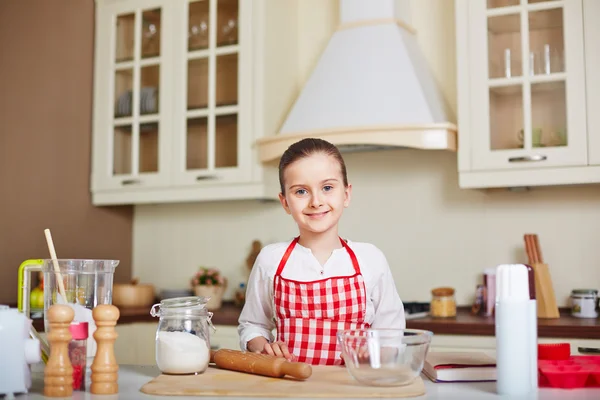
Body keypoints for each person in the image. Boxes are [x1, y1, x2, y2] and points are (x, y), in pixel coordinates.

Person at [237, 138, 406, 366]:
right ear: (285, 202)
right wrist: (265, 347)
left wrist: (377, 355)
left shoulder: (371, 259)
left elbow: (392, 334)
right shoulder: (271, 260)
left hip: (353, 389)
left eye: (327, 188)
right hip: (289, 389)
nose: (316, 202)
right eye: (301, 191)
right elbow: (252, 325)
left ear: (346, 194)